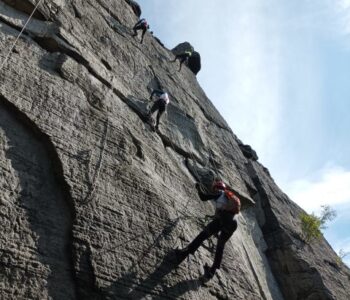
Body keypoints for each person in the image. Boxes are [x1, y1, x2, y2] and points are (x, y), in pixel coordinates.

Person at [174, 179, 241, 280]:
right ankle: (212, 272)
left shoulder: (220, 193)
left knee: (203, 235)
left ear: (216, 188)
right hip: (233, 224)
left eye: (214, 189)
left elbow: (203, 197)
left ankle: (185, 252)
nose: (213, 191)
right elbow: (224, 215)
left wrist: (198, 187)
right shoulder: (228, 199)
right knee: (220, 246)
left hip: (224, 219)